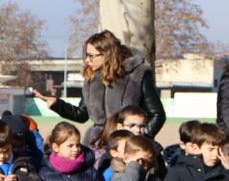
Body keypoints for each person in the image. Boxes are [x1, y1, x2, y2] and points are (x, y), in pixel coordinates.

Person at [33, 30, 165, 148]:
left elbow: (157, 115)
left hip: (128, 146)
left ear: (107, 54)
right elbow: (82, 114)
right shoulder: (90, 76)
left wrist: (140, 138)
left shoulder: (137, 74)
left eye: (91, 55)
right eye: (86, 55)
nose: (87, 60)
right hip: (96, 145)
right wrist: (57, 104)